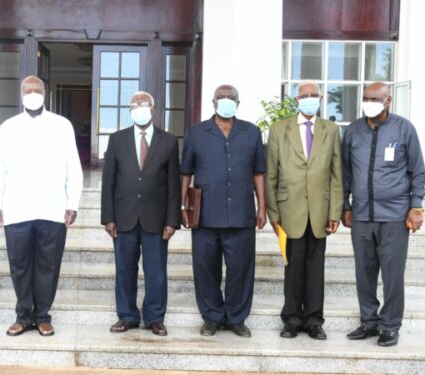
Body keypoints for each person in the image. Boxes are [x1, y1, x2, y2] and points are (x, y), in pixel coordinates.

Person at [0, 75, 83, 337]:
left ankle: (42, 316)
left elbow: (73, 167)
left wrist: (72, 203)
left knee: (48, 265)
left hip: (52, 208)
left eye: (37, 89)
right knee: (19, 265)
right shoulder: (8, 127)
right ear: (20, 94)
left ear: (45, 93)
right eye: (27, 89)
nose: (32, 93)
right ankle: (22, 316)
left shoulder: (62, 125)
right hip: (16, 208)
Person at [342, 82, 425, 347]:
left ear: (387, 101)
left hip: (394, 215)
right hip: (362, 215)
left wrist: (416, 206)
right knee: (364, 272)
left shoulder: (404, 129)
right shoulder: (353, 131)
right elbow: (345, 172)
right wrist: (345, 205)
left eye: (374, 98)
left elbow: (418, 171)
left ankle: (390, 325)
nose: (368, 102)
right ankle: (369, 321)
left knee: (392, 274)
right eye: (365, 98)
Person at [180, 85, 266, 338]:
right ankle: (211, 317)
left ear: (239, 103)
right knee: (205, 268)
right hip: (205, 214)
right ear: (213, 102)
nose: (226, 101)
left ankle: (237, 318)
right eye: (222, 97)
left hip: (241, 214)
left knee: (241, 268)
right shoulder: (196, 133)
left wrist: (262, 207)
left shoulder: (251, 132)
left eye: (231, 98)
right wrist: (182, 206)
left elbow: (259, 172)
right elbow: (186, 172)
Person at [266, 80, 342, 340]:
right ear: (296, 100)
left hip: (320, 210)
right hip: (290, 211)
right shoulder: (279, 130)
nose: (309, 98)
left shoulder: (330, 130)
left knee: (316, 268)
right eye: (304, 95)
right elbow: (271, 175)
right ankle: (291, 319)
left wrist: (335, 212)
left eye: (314, 95)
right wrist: (273, 214)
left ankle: (314, 321)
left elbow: (336, 174)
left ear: (320, 99)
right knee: (293, 267)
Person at [101, 91, 180, 337]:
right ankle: (127, 316)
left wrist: (172, 220)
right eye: (134, 104)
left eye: (144, 104)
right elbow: (108, 182)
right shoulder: (117, 139)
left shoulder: (168, 141)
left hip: (156, 219)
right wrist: (108, 217)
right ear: (130, 110)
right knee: (125, 269)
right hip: (123, 217)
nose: (139, 107)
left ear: (153, 109)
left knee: (156, 271)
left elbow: (174, 185)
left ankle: (155, 317)